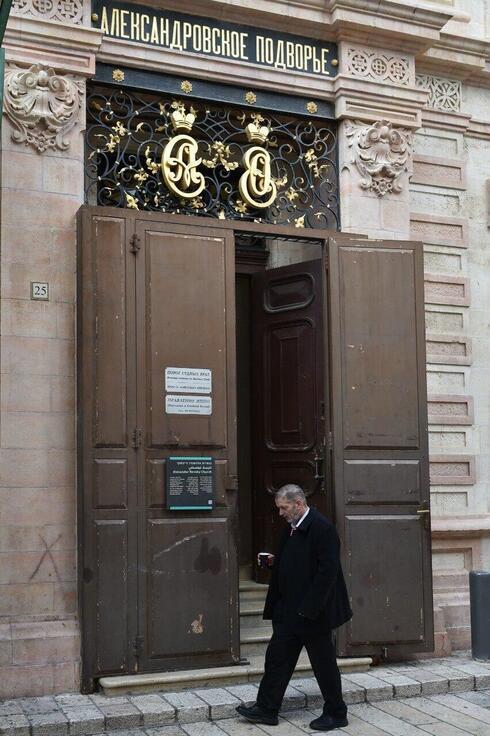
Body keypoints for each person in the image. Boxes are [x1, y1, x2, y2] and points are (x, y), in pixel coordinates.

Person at [236, 484, 352, 732]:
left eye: (284, 508)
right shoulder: (292, 528)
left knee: (324, 664)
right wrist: (274, 563)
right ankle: (267, 709)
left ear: (298, 503)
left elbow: (327, 573)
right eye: (279, 508)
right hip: (290, 611)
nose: (281, 513)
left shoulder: (322, 528)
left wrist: (309, 609)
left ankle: (336, 712)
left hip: (313, 613)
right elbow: (300, 562)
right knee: (277, 659)